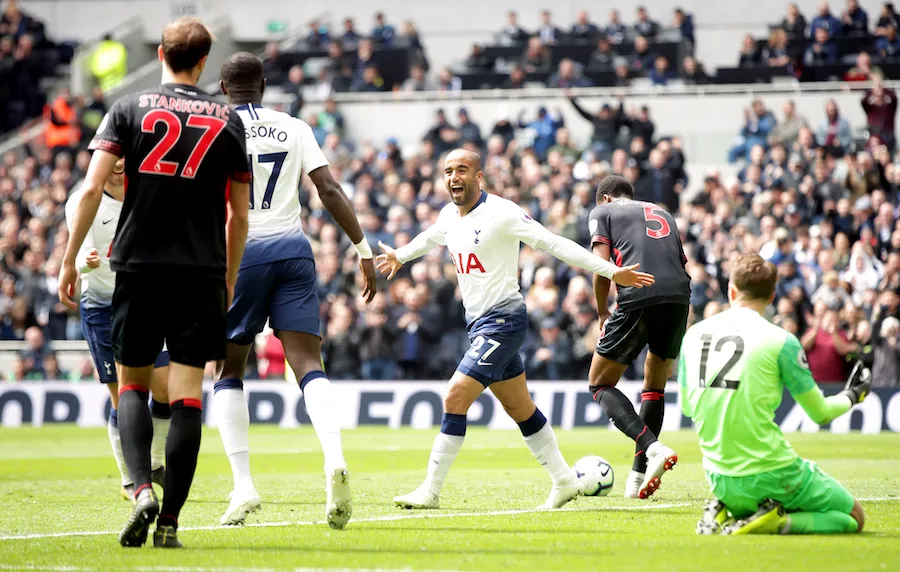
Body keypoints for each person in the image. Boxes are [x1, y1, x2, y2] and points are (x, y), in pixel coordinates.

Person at [58, 17, 251, 549]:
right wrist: (230, 277)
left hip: (139, 267)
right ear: (204, 62)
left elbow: (95, 187)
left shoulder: (127, 109)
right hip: (201, 271)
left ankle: (141, 487)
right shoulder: (229, 122)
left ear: (162, 53)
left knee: (133, 388)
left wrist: (69, 260)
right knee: (189, 397)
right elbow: (238, 215)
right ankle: (169, 523)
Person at [377, 149, 654, 510]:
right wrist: (400, 255)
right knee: (520, 409)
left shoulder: (502, 213)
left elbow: (553, 243)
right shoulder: (448, 215)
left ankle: (430, 490)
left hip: (504, 321)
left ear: (479, 177)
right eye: (448, 171)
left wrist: (610, 271)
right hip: (477, 324)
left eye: (462, 169)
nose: (453, 177)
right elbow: (430, 238)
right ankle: (565, 479)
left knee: (455, 395)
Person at [215, 52, 377, 529]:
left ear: (224, 89)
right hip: (293, 251)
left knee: (229, 369)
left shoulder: (215, 128)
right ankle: (334, 457)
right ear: (263, 85)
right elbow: (327, 189)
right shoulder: (294, 126)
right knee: (308, 364)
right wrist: (363, 247)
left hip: (240, 254)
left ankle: (243, 484)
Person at [681, 254, 870, 535]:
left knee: (755, 494)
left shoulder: (693, 334)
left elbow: (686, 407)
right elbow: (820, 413)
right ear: (771, 297)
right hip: (773, 472)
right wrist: (854, 395)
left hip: (718, 478)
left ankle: (726, 511)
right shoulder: (781, 340)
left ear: (731, 290)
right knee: (854, 517)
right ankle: (778, 522)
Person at [64, 157, 172, 502]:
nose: (120, 163)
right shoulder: (82, 200)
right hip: (102, 306)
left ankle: (154, 464)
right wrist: (86, 261)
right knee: (123, 395)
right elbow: (77, 258)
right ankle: (129, 479)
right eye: (114, 157)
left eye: (126, 155)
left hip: (144, 301)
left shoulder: (144, 191)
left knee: (165, 388)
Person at [587, 175, 689, 499]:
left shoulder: (602, 213)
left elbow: (600, 265)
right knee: (654, 386)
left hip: (639, 292)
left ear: (605, 198)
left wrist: (603, 312)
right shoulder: (664, 213)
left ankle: (652, 446)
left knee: (599, 383)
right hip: (679, 297)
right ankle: (637, 479)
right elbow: (680, 262)